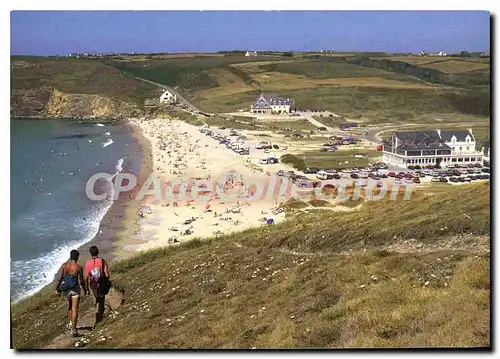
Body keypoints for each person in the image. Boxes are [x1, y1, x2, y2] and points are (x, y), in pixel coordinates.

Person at [55, 249, 89, 337]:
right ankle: (73, 330)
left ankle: (70, 323)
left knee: (70, 307)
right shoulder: (79, 267)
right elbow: (81, 281)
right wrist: (85, 290)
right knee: (74, 309)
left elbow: (59, 279)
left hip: (66, 290)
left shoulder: (64, 266)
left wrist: (56, 289)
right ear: (77, 257)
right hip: (75, 290)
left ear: (70, 257)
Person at [85, 246, 111, 328]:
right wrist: (108, 281)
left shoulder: (87, 263)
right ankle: (100, 317)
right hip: (101, 283)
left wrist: (86, 289)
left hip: (93, 285)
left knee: (97, 298)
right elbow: (107, 274)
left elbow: (86, 277)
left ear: (90, 253)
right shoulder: (102, 261)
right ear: (98, 252)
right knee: (101, 299)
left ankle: (98, 312)